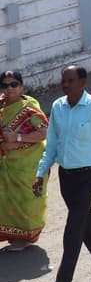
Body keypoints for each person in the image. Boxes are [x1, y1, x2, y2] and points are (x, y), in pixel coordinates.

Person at [35, 65, 91, 282]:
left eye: (70, 80)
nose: (65, 85)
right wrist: (40, 173)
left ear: (82, 82)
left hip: (89, 174)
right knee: (84, 220)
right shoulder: (58, 107)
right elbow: (51, 144)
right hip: (67, 176)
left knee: (73, 227)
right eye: (64, 81)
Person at [0, 70, 48, 252]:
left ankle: (27, 237)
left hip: (28, 163)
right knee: (7, 199)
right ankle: (14, 235)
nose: (9, 89)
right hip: (6, 164)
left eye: (13, 84)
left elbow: (44, 132)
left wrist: (17, 138)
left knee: (27, 199)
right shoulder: (1, 107)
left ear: (21, 86)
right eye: (5, 85)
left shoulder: (29, 108)